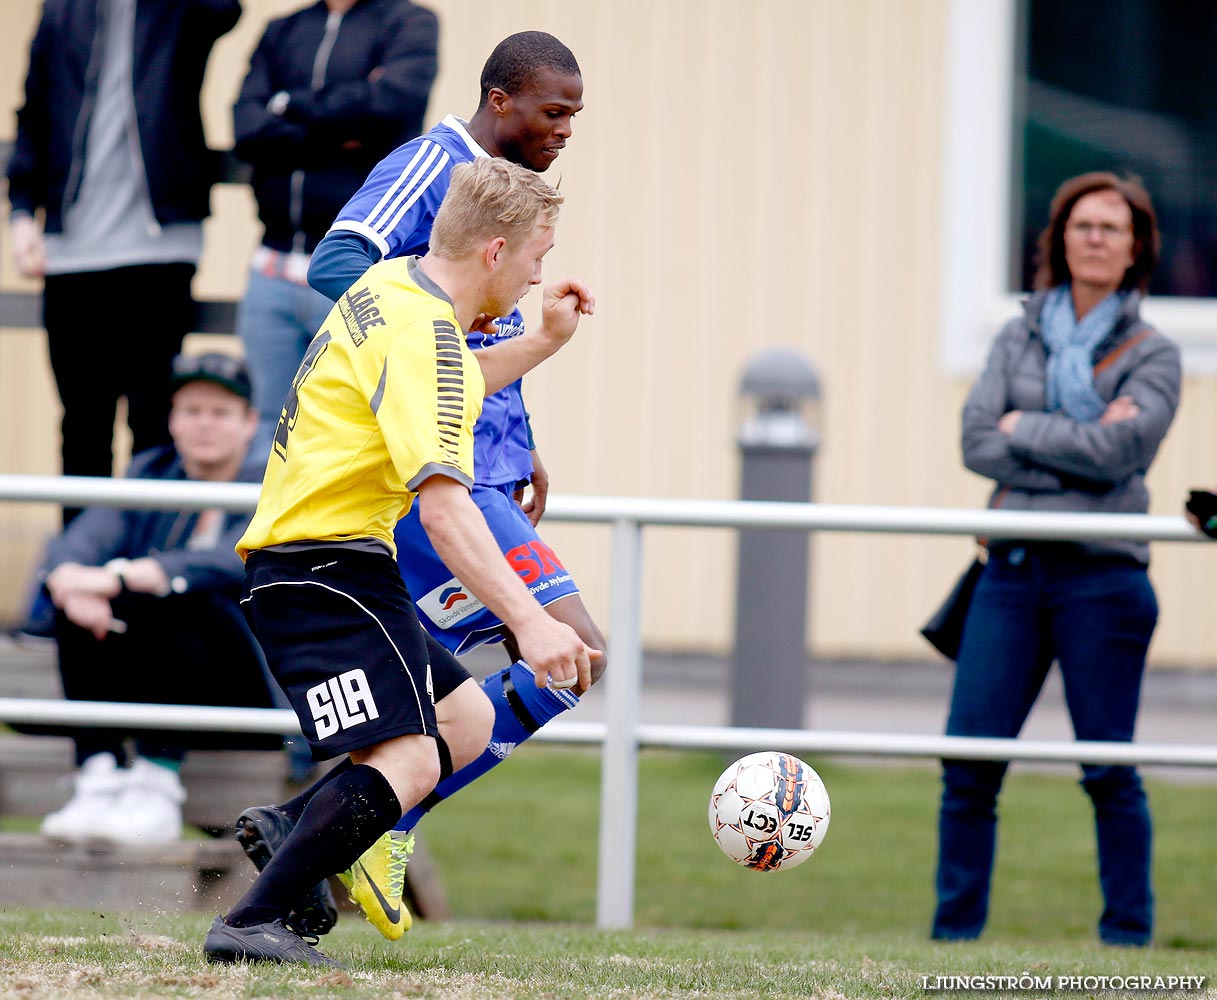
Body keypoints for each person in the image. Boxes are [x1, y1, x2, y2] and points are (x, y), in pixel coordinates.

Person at [236, 30, 602, 942]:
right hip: (335, 550)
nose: (533, 279)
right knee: (426, 734)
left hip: (361, 532)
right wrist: (525, 620)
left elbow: (461, 368)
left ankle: (324, 833)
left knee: (465, 716)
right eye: (530, 261)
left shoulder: (414, 297)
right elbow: (339, 267)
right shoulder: (424, 242)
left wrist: (528, 363)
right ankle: (282, 894)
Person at [933, 172, 1180, 947]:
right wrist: (1070, 442)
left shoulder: (1156, 352)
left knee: (1107, 770)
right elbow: (977, 442)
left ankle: (1127, 940)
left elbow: (1120, 455)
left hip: (1102, 581)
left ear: (1135, 247)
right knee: (968, 766)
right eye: (1082, 225)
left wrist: (1023, 430)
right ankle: (953, 938)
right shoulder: (1017, 333)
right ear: (1059, 238)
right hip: (1008, 572)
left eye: (1112, 227)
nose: (1095, 238)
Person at [28, 352, 281, 845]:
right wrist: (69, 581)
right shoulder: (152, 471)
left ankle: (155, 783)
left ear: (249, 423)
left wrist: (127, 576)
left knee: (181, 598)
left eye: (220, 412)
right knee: (78, 606)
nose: (204, 424)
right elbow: (81, 541)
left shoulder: (275, 482)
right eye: (191, 411)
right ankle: (97, 778)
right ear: (172, 420)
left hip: (248, 691)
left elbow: (234, 563)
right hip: (157, 679)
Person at [5, 0, 241, 526]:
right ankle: (73, 577)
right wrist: (21, 211)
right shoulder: (63, 10)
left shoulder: (176, 13)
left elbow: (225, 10)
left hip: (161, 247)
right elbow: (34, 110)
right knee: (81, 425)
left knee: (154, 424)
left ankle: (142, 573)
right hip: (70, 251)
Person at [232, 0, 439, 458]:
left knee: (356, 426)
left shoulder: (409, 23)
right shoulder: (282, 30)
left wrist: (288, 106)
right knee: (270, 425)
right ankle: (269, 533)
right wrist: (334, 131)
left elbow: (389, 108)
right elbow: (246, 126)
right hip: (270, 270)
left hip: (357, 271)